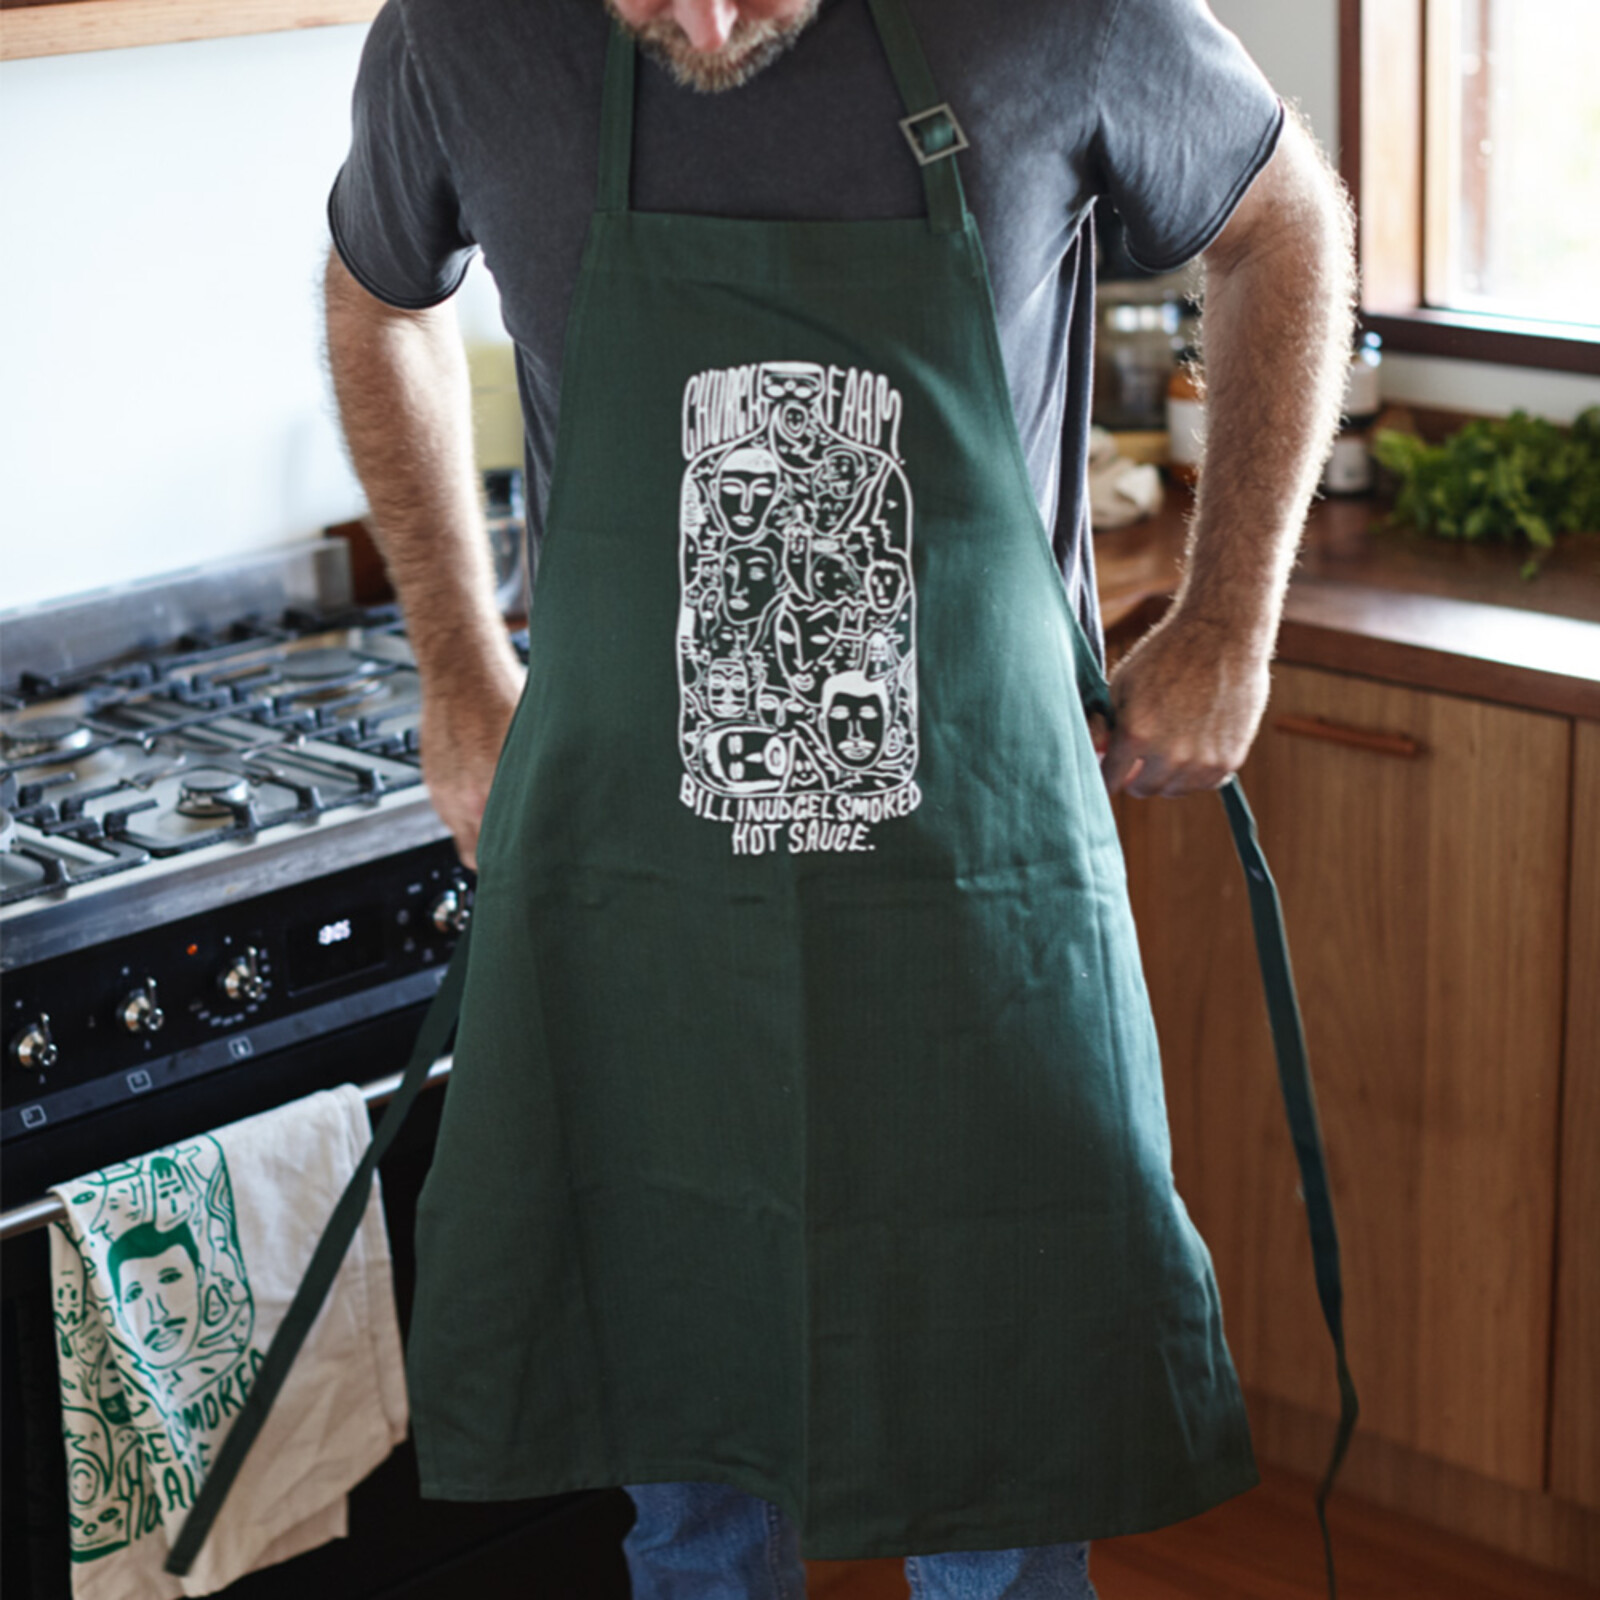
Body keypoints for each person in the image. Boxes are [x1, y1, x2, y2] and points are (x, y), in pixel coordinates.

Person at [323, 1, 1354, 1596]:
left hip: (977, 881)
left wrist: (1232, 614)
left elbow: (1283, 225)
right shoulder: (463, 33)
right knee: (688, 1459)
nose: (707, 19)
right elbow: (376, 298)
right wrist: (458, 656)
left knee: (1004, 1460)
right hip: (649, 887)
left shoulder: (1060, 12)